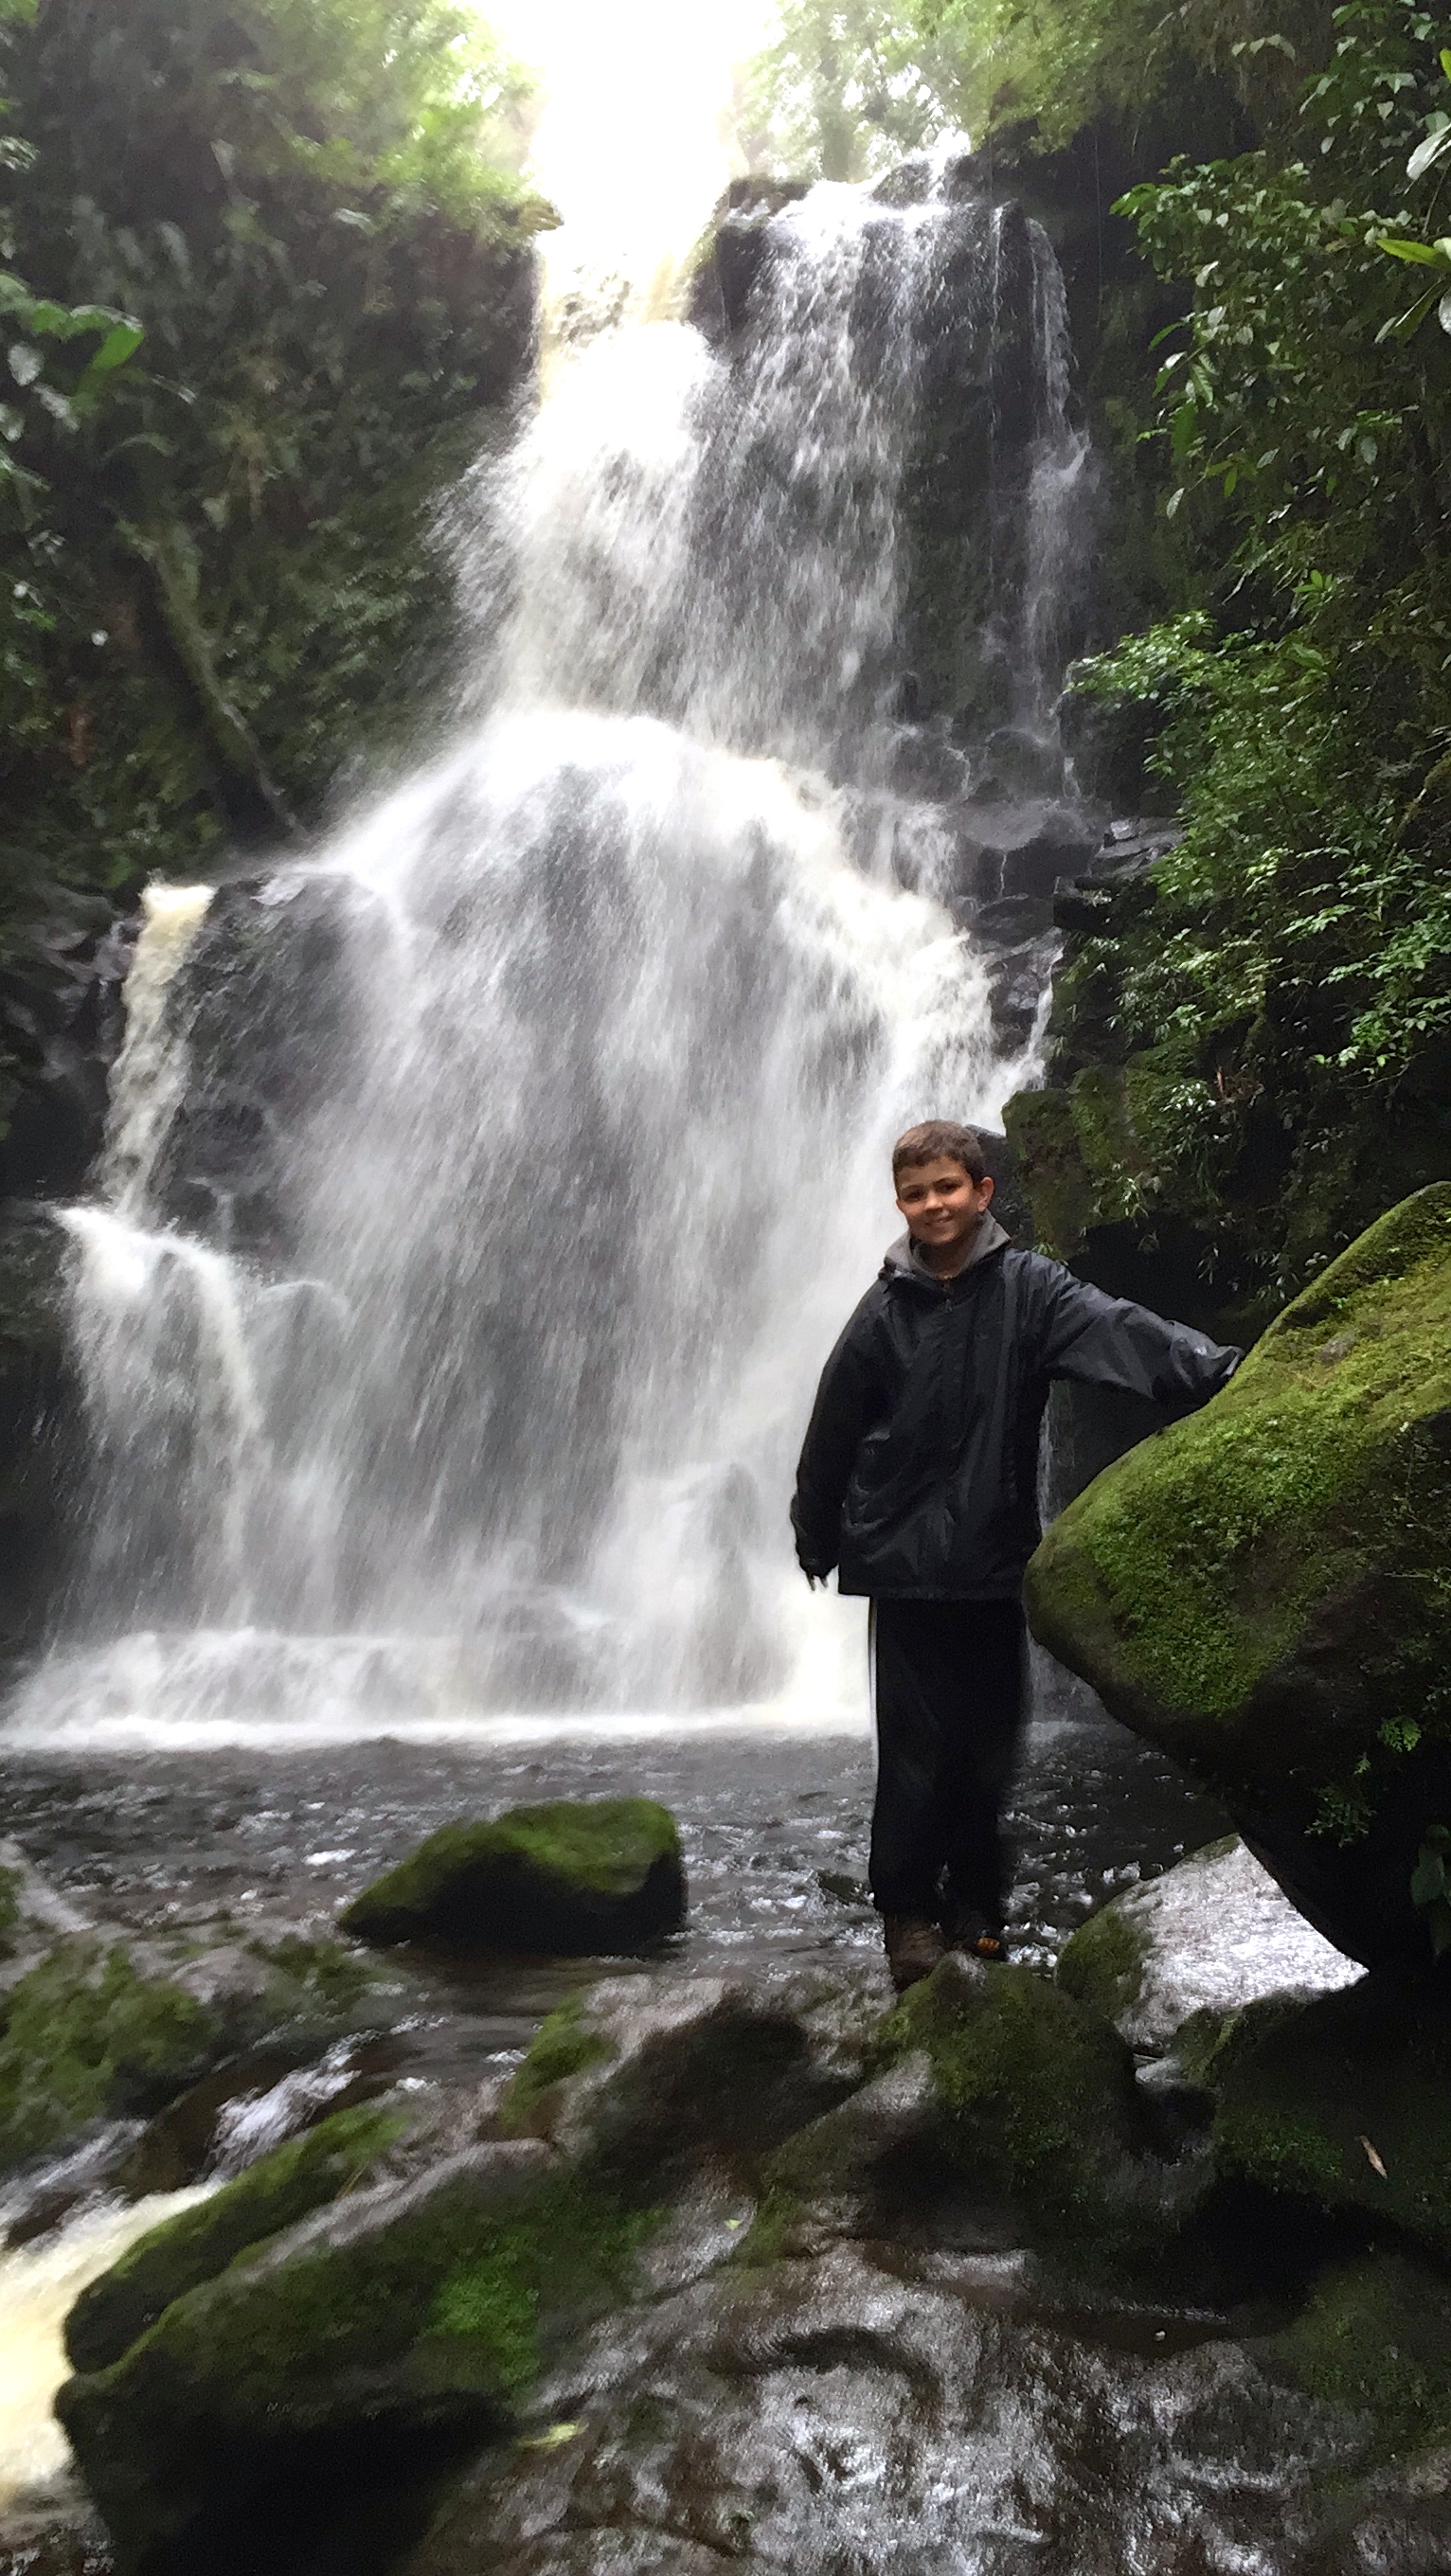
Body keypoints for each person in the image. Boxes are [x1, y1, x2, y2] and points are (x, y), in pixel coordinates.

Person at [791, 1118, 1241, 1993]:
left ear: (983, 1191)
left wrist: (1215, 1369)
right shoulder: (885, 1309)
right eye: (916, 1194)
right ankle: (909, 1917)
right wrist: (815, 1531)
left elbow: (1122, 1331)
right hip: (909, 1565)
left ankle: (980, 1912)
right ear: (901, 1204)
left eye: (947, 1188)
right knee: (917, 1746)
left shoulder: (1029, 1292)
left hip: (994, 1556)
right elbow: (833, 1423)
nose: (933, 1206)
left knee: (992, 1743)